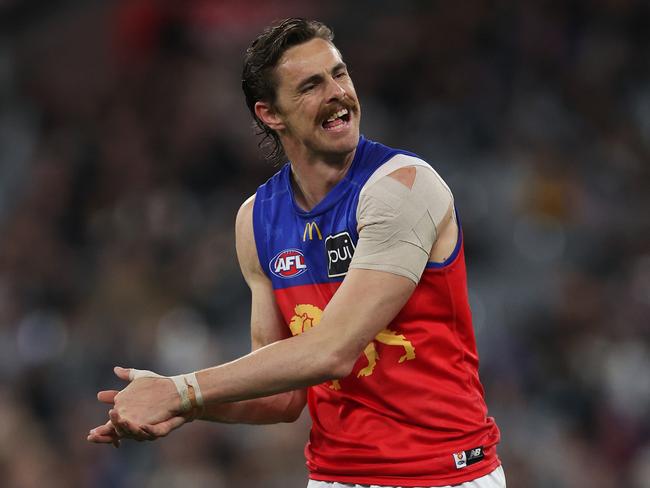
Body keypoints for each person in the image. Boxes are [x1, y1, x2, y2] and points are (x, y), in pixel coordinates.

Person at [88, 18, 505, 488]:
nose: (337, 93)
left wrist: (181, 391)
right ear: (271, 114)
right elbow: (283, 399)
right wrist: (183, 406)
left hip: (443, 475)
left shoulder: (403, 187)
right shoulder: (256, 220)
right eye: (311, 85)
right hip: (332, 478)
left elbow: (332, 350)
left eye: (339, 74)